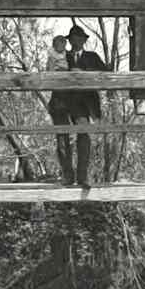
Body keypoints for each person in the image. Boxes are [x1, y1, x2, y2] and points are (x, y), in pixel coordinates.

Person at [47, 24, 106, 187]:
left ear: (84, 40)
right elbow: (49, 73)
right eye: (73, 38)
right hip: (61, 100)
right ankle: (67, 176)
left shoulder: (92, 57)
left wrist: (84, 73)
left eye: (80, 38)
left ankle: (83, 176)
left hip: (83, 103)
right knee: (62, 138)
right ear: (69, 40)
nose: (76, 41)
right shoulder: (59, 55)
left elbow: (107, 74)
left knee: (84, 135)